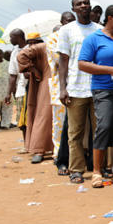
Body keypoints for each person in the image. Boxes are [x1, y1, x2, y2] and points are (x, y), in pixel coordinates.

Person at [78, 5, 113, 188]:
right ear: (110, 18)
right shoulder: (94, 39)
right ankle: (97, 171)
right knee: (104, 126)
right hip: (103, 90)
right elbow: (82, 64)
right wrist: (110, 70)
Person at [57, 0, 102, 183]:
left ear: (90, 6)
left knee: (99, 131)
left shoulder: (100, 30)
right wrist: (62, 88)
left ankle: (100, 168)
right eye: (79, 4)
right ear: (73, 9)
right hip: (75, 88)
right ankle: (76, 169)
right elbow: (63, 60)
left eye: (86, 3)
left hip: (98, 87)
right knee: (75, 133)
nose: (83, 5)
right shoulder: (67, 30)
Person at [18, 32, 54, 163]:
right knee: (43, 116)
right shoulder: (45, 47)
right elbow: (22, 56)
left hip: (67, 85)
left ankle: (58, 150)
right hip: (48, 85)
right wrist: (33, 69)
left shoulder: (66, 45)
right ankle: (39, 149)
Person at [48, 11, 76, 175]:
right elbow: (61, 61)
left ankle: (75, 156)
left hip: (77, 86)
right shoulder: (53, 38)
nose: (70, 23)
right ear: (61, 21)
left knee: (75, 125)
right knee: (59, 124)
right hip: (59, 86)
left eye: (72, 20)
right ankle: (58, 154)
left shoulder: (76, 33)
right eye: (67, 20)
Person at [5, 29, 28, 143]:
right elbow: (12, 75)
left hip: (34, 90)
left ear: (18, 37)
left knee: (31, 119)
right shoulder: (14, 52)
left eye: (11, 37)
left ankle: (33, 144)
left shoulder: (31, 49)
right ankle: (27, 144)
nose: (10, 40)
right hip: (21, 90)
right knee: (22, 121)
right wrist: (8, 93)